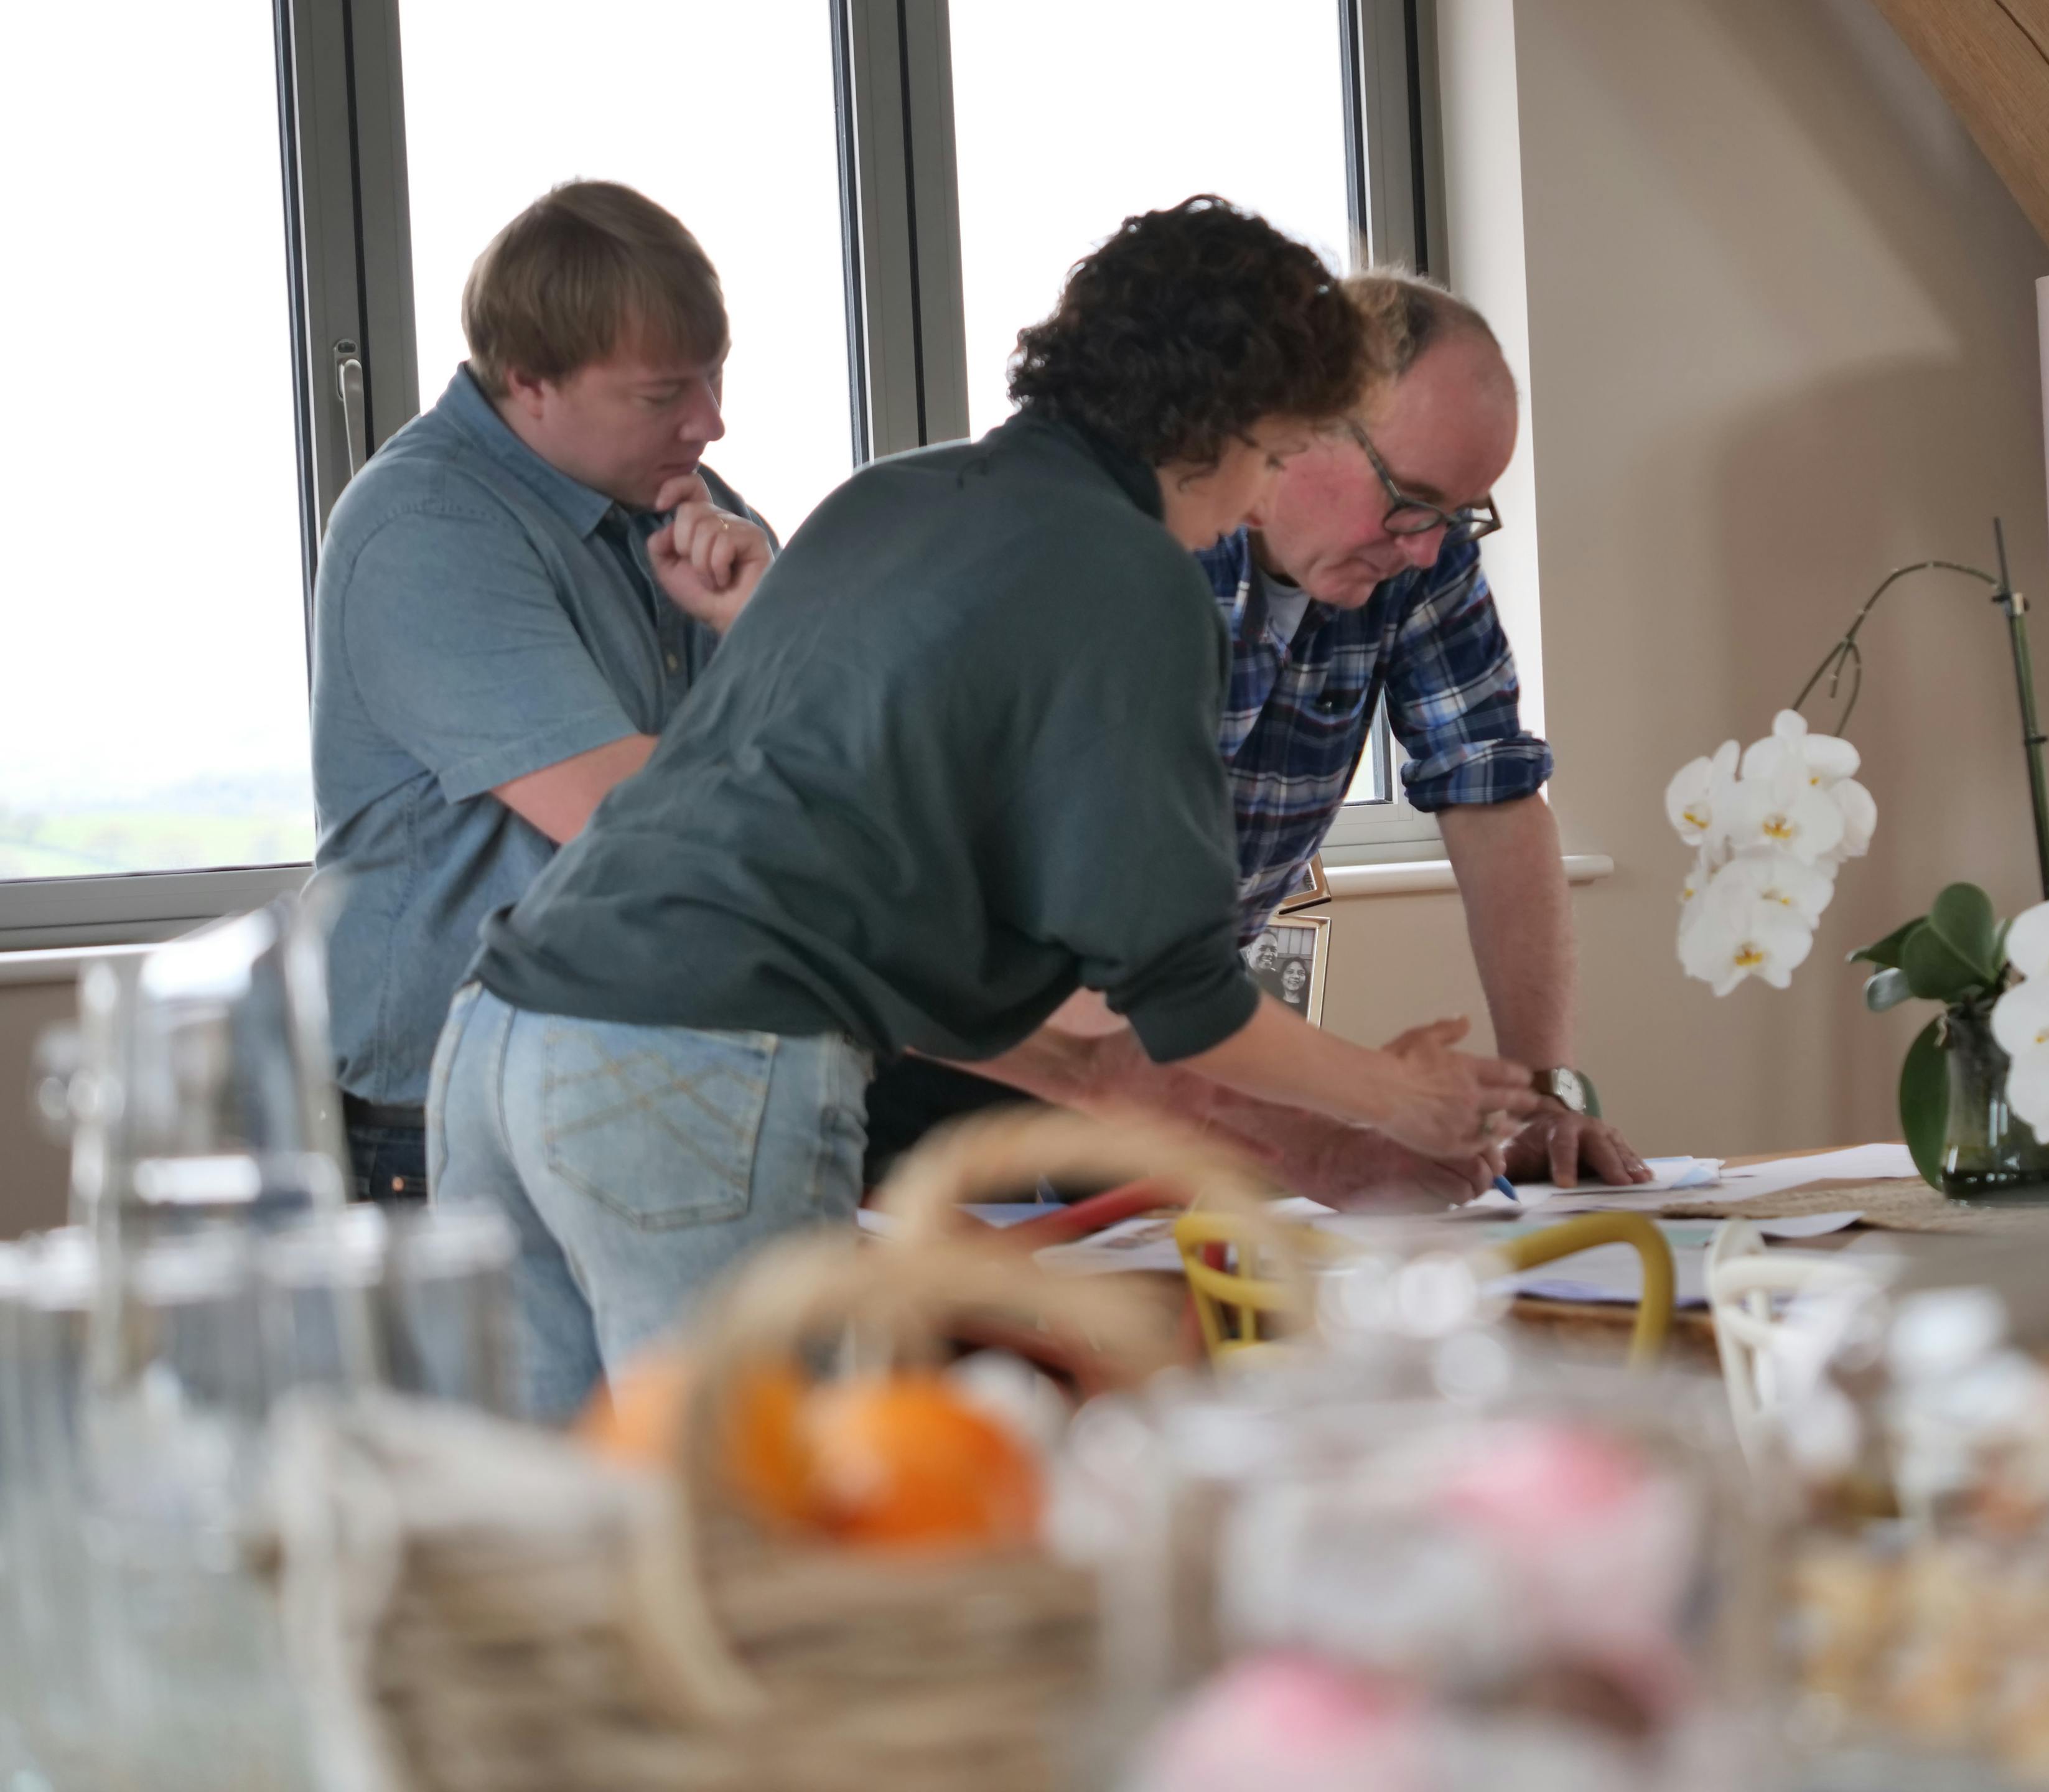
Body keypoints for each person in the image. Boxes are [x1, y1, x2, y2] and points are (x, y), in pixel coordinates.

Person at [427, 198, 1532, 1421]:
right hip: (697, 1055)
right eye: (1274, 457)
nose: (1254, 501)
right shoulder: (1130, 574)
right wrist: (1401, 1096)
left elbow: (867, 910)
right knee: (758, 1501)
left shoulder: (894, 498)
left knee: (561, 1504)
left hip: (502, 1036)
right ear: (1220, 427)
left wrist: (1287, 1130)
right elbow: (1184, 1000)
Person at [866, 272, 1649, 1202]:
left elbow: (1493, 792)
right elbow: (1076, 946)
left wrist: (1544, 1092)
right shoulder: (1118, 548)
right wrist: (1329, 1138)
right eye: (1411, 498)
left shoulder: (1415, 554)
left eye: (1459, 513)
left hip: (1144, 1055)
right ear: (1302, 424)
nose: (1429, 546)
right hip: (929, 1042)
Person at [309, 182, 775, 1204]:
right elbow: (634, 820)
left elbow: (833, 758)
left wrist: (760, 622)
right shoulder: (426, 525)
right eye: (663, 394)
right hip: (444, 1124)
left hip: (638, 1077)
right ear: (530, 383)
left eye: (714, 375)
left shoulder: (694, 510)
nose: (711, 421)